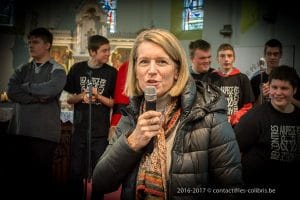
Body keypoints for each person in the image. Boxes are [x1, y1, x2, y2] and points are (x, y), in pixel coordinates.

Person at [92, 28, 242, 199]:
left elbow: (231, 188)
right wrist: (133, 141)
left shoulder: (208, 113)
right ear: (135, 71)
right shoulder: (131, 116)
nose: (151, 70)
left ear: (177, 71)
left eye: (162, 62)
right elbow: (101, 182)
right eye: (144, 62)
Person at [6, 27, 67, 199]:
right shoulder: (22, 69)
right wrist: (36, 98)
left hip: (43, 134)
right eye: (29, 42)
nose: (30, 46)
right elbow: (11, 92)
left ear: (47, 45)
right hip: (19, 131)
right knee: (17, 181)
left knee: (39, 183)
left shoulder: (58, 69)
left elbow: (52, 89)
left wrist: (26, 88)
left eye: (35, 42)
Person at [64, 35, 117, 200]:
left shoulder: (111, 73)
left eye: (108, 50)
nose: (108, 54)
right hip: (80, 130)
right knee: (75, 172)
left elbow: (113, 103)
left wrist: (98, 96)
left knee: (98, 173)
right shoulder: (77, 69)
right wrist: (82, 96)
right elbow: (68, 99)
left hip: (100, 132)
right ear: (93, 52)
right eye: (104, 51)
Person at [234, 65, 300, 198]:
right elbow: (233, 151)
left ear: (294, 90)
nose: (278, 92)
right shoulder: (254, 117)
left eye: (284, 88)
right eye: (274, 87)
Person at [212, 43, 254, 126]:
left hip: (237, 126)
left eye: (229, 56)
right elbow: (207, 105)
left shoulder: (243, 78)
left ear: (234, 58)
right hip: (215, 125)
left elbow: (248, 106)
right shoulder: (209, 78)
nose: (226, 59)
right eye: (222, 56)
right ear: (217, 59)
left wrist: (233, 118)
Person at [251, 39, 300, 107]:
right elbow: (252, 109)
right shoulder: (255, 80)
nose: (272, 57)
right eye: (269, 54)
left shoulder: (291, 77)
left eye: (275, 54)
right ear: (265, 55)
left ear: (280, 55)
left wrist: (286, 96)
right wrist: (262, 95)